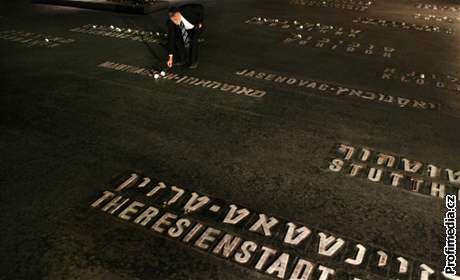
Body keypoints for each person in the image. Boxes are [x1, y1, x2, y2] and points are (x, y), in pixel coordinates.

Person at [166, 4, 204, 69]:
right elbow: (171, 39)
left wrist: (200, 21)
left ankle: (193, 62)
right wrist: (170, 58)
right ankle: (182, 59)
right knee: (178, 40)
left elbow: (200, 8)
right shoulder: (171, 23)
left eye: (176, 19)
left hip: (195, 26)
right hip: (184, 29)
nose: (175, 22)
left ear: (178, 14)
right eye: (173, 20)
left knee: (193, 40)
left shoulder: (187, 10)